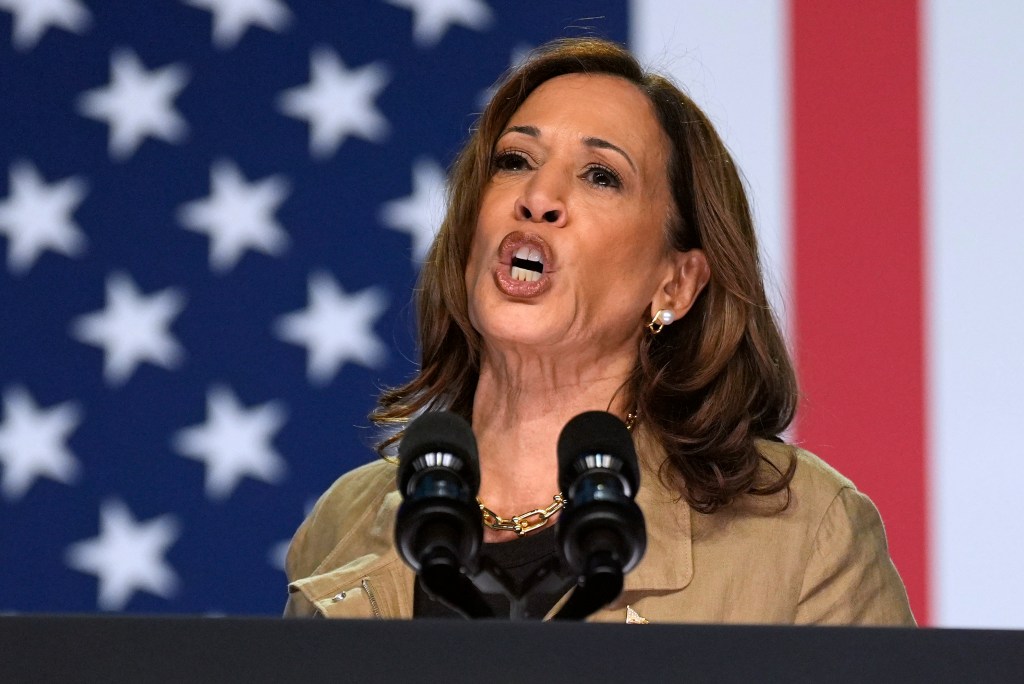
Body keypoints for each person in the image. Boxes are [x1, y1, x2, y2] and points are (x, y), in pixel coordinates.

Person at [283, 37, 915, 625]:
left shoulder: (806, 535)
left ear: (675, 285)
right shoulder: (345, 520)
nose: (538, 195)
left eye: (601, 175)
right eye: (514, 160)